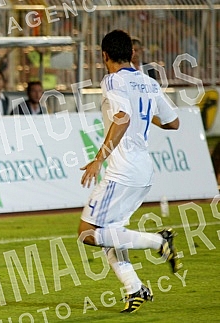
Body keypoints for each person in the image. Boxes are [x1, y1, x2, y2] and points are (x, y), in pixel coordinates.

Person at [77, 30, 182, 313]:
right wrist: (144, 116)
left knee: (87, 234)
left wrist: (99, 159)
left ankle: (158, 241)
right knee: (112, 232)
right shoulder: (148, 82)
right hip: (143, 171)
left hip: (122, 172)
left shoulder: (112, 80)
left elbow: (121, 119)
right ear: (132, 54)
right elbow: (174, 123)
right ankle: (134, 288)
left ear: (104, 55)